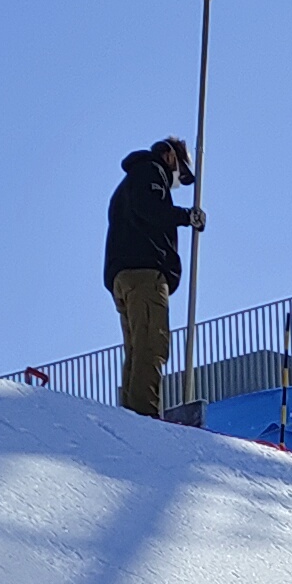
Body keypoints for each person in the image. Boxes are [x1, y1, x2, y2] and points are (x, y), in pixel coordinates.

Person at [104, 138, 201, 419]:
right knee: (151, 345)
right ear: (169, 156)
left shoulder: (131, 181)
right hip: (145, 273)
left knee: (136, 348)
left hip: (125, 276)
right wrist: (186, 216)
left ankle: (131, 412)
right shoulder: (149, 173)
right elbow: (151, 209)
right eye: (179, 174)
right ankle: (143, 415)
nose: (176, 183)